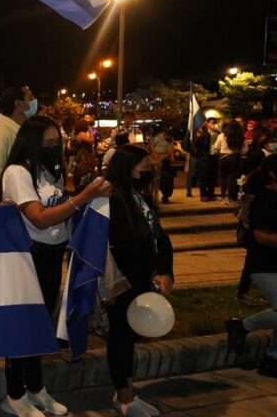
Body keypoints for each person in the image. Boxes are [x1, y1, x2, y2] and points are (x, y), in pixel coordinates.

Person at [0, 115, 112, 417]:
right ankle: (14, 393)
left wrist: (87, 197)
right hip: (28, 254)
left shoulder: (49, 172)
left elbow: (63, 207)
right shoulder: (17, 172)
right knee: (23, 323)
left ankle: (35, 388)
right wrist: (84, 197)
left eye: (56, 143)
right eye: (48, 144)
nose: (54, 148)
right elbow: (39, 217)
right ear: (32, 143)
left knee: (40, 323)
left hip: (52, 254)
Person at [103, 145, 175, 415]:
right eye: (143, 166)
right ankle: (124, 397)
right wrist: (147, 278)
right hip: (125, 282)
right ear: (126, 167)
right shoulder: (114, 199)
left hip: (143, 279)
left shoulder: (138, 197)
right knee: (121, 337)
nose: (147, 170)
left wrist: (165, 271)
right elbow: (122, 246)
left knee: (128, 337)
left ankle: (127, 392)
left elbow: (161, 238)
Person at [226, 154, 277, 378]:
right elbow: (260, 236)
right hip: (265, 265)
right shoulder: (264, 200)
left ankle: (272, 360)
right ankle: (242, 326)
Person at [214, 120, 246, 204]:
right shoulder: (241, 136)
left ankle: (223, 197)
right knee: (232, 178)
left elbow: (216, 147)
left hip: (223, 158)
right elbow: (245, 150)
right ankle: (231, 198)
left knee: (223, 177)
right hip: (235, 158)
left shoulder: (222, 135)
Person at [71, 118, 97, 194]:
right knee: (84, 173)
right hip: (84, 157)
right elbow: (91, 141)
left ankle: (79, 188)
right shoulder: (81, 134)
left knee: (80, 173)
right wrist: (91, 132)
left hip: (80, 156)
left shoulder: (76, 134)